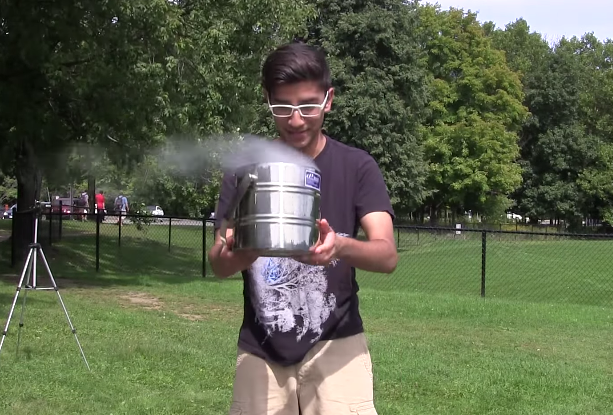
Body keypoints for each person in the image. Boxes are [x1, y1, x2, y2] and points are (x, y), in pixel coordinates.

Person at [208, 42, 398, 415]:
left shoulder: (357, 166)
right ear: (267, 99)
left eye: (308, 105)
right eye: (282, 107)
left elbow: (387, 254)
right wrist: (242, 252)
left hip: (338, 346)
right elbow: (218, 263)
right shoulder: (244, 171)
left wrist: (339, 246)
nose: (295, 120)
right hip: (260, 351)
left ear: (329, 100)